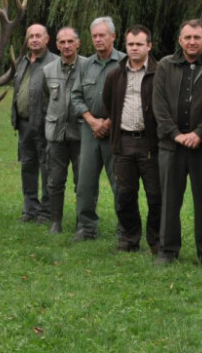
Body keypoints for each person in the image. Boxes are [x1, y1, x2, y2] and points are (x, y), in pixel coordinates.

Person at [153, 20, 202, 267]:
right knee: (169, 199)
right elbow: (158, 104)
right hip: (171, 145)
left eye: (196, 37)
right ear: (180, 41)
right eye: (187, 37)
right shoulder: (165, 65)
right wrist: (174, 133)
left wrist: (200, 132)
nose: (192, 42)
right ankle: (167, 250)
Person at [102, 25, 161, 253]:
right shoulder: (116, 74)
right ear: (125, 46)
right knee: (125, 195)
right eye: (130, 44)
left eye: (139, 44)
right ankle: (129, 239)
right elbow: (109, 102)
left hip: (150, 143)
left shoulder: (159, 72)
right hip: (124, 141)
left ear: (149, 46)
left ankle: (156, 242)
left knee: (156, 196)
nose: (134, 48)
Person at [69, 17, 126, 241]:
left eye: (103, 35)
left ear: (113, 36)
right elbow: (75, 95)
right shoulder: (84, 65)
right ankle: (86, 228)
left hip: (117, 131)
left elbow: (129, 98)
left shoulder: (124, 62)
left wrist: (109, 122)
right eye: (95, 36)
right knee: (85, 182)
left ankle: (125, 229)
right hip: (89, 130)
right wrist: (92, 120)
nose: (98, 39)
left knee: (120, 181)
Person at [12, 23, 58, 224]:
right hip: (23, 125)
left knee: (47, 167)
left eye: (39, 36)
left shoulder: (55, 63)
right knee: (27, 166)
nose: (34, 39)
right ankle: (30, 209)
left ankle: (46, 212)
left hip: (45, 125)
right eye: (31, 36)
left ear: (47, 39)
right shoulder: (22, 62)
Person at [41, 27, 82, 233]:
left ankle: (82, 223)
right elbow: (45, 99)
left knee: (82, 182)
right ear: (56, 45)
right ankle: (56, 222)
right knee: (55, 180)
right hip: (56, 135)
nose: (66, 46)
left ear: (78, 43)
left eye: (70, 41)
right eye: (62, 42)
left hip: (81, 135)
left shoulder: (87, 67)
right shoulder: (48, 70)